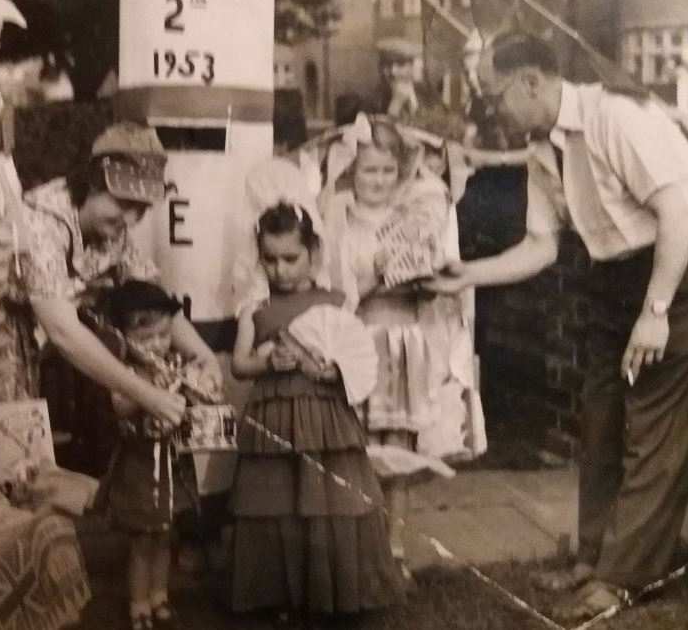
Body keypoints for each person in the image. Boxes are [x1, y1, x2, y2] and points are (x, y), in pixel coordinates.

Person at [424, 31, 688, 620]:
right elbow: (541, 245)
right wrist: (466, 275)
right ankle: (593, 556)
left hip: (680, 265)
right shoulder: (543, 148)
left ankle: (624, 579)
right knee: (601, 415)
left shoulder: (617, 115)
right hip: (617, 276)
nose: (492, 111)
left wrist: (656, 312)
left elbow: (675, 214)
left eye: (495, 96)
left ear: (531, 82)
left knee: (655, 428)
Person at [0, 122, 220, 441]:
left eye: (142, 209)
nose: (131, 218)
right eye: (125, 203)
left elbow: (154, 300)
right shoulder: (41, 226)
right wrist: (147, 395)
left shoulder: (112, 233)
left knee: (11, 442)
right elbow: (63, 333)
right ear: (93, 184)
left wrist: (205, 356)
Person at [320, 114, 484, 580]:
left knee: (401, 452)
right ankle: (358, 543)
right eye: (369, 171)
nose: (378, 181)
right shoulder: (343, 219)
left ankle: (394, 549)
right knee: (360, 446)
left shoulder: (410, 221)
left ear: (401, 173)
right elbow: (338, 287)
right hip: (362, 341)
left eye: (388, 172)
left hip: (405, 344)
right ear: (353, 171)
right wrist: (375, 273)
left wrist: (422, 279)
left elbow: (435, 287)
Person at [228, 202, 403, 623]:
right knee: (277, 499)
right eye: (270, 259)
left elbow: (352, 355)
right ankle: (279, 595)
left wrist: (331, 370)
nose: (280, 270)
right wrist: (266, 362)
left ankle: (332, 590)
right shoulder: (255, 308)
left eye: (291, 258)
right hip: (274, 417)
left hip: (325, 418)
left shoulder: (336, 302)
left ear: (314, 254)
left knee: (329, 499)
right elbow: (239, 364)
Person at [98, 279, 201, 630]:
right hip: (141, 464)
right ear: (125, 339)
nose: (157, 344)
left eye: (163, 335)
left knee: (165, 534)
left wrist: (191, 385)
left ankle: (159, 595)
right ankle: (138, 603)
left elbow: (189, 403)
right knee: (143, 539)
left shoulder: (172, 363)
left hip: (170, 462)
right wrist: (150, 391)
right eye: (146, 339)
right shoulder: (126, 372)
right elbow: (121, 407)